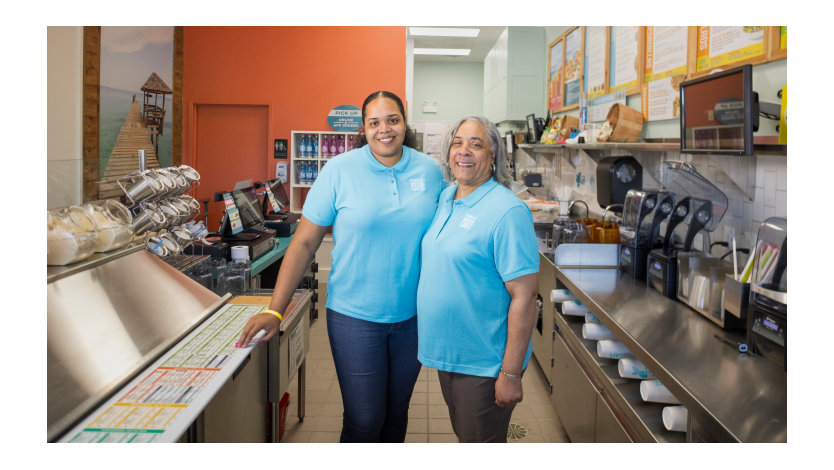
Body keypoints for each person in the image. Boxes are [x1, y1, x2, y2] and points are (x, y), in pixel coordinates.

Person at [237, 91, 445, 442]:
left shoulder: (430, 171)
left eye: (392, 120)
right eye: (374, 122)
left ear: (404, 122)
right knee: (365, 419)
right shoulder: (339, 170)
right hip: (354, 317)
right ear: (363, 129)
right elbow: (304, 243)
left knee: (396, 414)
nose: (385, 129)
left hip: (414, 317)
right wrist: (275, 311)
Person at [416, 115, 539, 443]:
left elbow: (525, 297)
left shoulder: (508, 212)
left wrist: (510, 374)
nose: (464, 151)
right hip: (451, 353)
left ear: (494, 155)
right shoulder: (448, 197)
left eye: (476, 144)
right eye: (458, 143)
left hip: (484, 361)